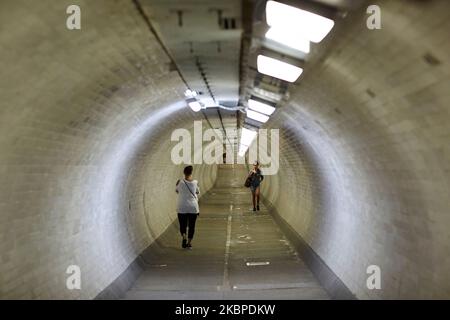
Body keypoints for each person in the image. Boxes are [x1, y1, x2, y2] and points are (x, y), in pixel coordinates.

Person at [175, 165, 200, 249]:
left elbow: (177, 191)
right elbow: (197, 192)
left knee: (183, 224)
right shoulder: (195, 182)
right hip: (193, 207)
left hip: (182, 207)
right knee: (191, 226)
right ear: (191, 172)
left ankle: (184, 236)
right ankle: (189, 243)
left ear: (184, 172)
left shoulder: (180, 182)